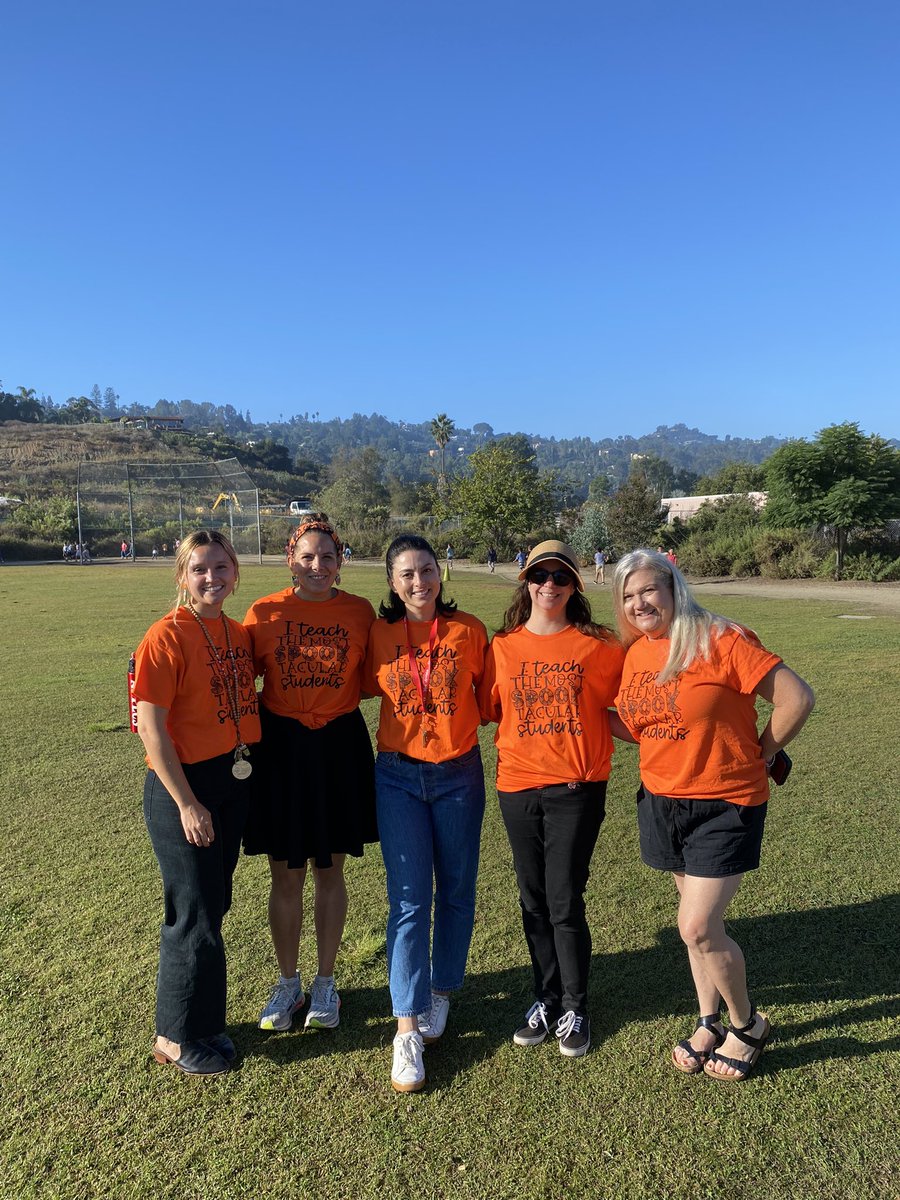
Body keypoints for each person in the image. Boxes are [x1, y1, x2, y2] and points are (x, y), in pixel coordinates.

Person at [610, 549, 814, 1081]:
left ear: (674, 587)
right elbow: (643, 725)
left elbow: (797, 698)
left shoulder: (719, 639)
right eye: (629, 596)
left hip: (725, 802)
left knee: (698, 926)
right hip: (662, 800)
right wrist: (584, 717)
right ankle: (709, 1020)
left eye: (649, 590)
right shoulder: (637, 654)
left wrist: (762, 751)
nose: (639, 603)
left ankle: (747, 1025)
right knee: (695, 929)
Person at [480, 541, 625, 1058]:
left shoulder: (601, 645)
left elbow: (639, 697)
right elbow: (489, 709)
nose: (549, 585)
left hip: (576, 789)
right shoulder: (502, 646)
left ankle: (575, 1007)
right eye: (540, 575)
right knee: (532, 898)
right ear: (526, 581)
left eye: (560, 578)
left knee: (563, 900)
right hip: (516, 785)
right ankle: (544, 999)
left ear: (574, 586)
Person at [243, 515, 377, 1033]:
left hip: (338, 746)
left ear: (340, 562)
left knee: (329, 869)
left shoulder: (360, 613)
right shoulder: (264, 612)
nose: (317, 565)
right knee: (286, 872)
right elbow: (238, 678)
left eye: (327, 556)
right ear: (290, 560)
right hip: (280, 748)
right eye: (308, 557)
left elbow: (372, 679)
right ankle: (287, 982)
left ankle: (325, 981)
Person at [133, 530, 260, 1075]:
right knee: (192, 913)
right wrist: (186, 802)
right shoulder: (165, 636)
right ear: (183, 576)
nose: (212, 578)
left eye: (221, 568)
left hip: (229, 778)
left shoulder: (234, 632)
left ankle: (206, 1024)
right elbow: (151, 731)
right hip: (183, 787)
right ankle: (175, 1036)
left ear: (235, 572)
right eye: (200, 569)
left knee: (214, 906)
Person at [364, 534, 488, 1093]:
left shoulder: (471, 632)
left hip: (459, 772)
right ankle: (406, 1028)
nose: (420, 582)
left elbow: (490, 697)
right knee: (410, 899)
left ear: (442, 573)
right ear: (392, 582)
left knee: (457, 889)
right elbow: (361, 687)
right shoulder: (380, 634)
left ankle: (440, 991)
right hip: (396, 775)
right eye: (407, 574)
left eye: (428, 570)